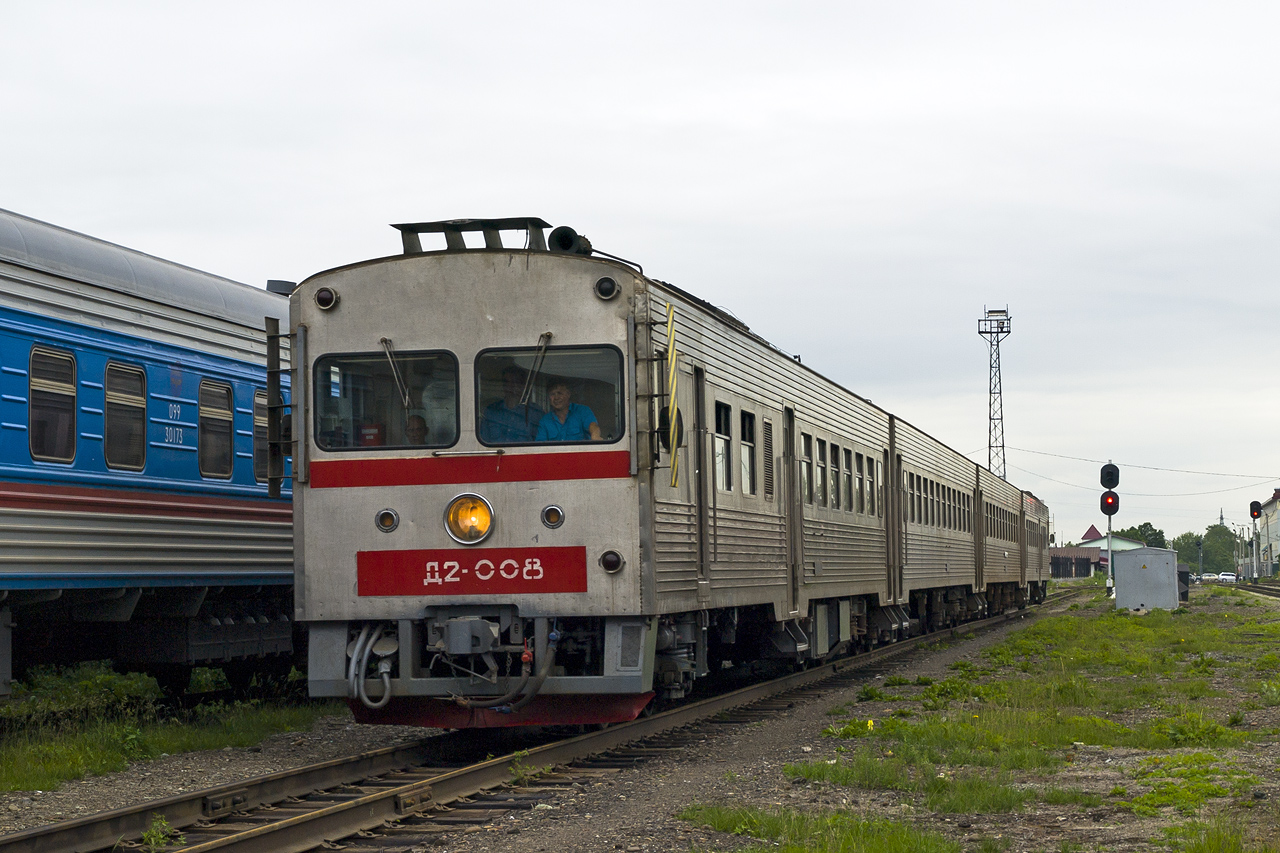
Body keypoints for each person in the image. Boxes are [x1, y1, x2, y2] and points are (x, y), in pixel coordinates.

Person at [480, 366, 544, 443]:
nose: (511, 386)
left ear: (523, 386)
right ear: (503, 385)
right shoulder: (491, 411)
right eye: (507, 382)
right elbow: (483, 442)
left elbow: (540, 445)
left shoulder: (536, 412)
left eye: (515, 382)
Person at [536, 380, 601, 442]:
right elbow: (540, 447)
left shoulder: (582, 411)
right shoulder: (544, 421)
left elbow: (593, 426)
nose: (556, 397)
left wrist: (595, 436)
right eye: (552, 394)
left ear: (568, 394)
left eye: (559, 393)